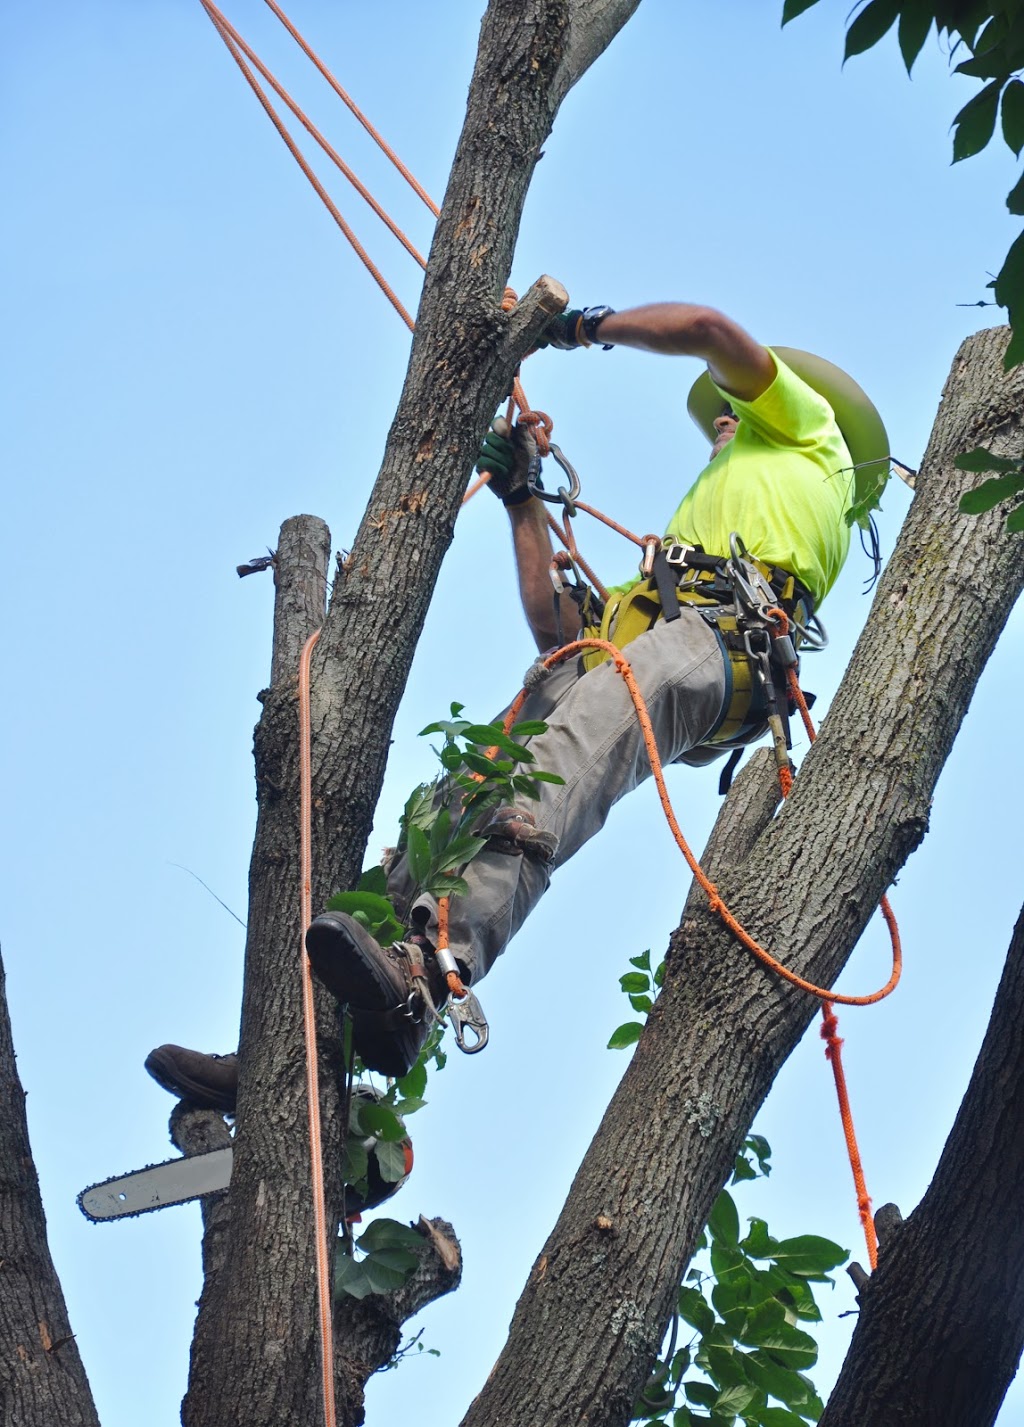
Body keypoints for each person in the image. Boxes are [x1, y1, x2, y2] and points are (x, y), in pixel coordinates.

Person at [147, 300, 889, 1106]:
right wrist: (522, 497)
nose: (719, 422)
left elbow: (710, 332)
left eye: (731, 412)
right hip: (672, 631)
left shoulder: (811, 433)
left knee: (555, 771)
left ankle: (433, 971)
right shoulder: (688, 549)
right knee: (453, 803)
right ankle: (293, 1047)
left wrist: (576, 326)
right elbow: (558, 625)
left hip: (721, 638)